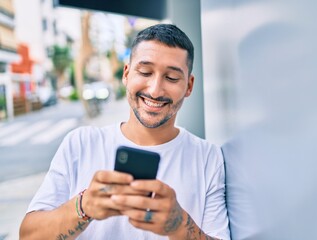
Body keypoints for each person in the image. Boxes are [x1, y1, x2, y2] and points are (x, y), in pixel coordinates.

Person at [19, 24, 229, 240]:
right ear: (127, 74)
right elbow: (28, 236)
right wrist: (84, 206)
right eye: (145, 72)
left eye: (172, 78)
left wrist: (180, 226)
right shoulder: (81, 143)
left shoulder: (208, 158)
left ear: (189, 86)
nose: (155, 90)